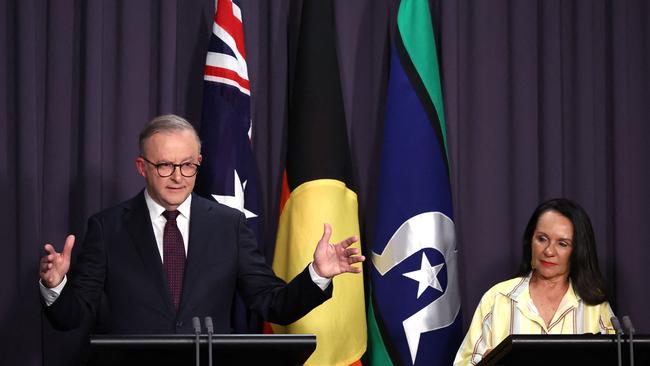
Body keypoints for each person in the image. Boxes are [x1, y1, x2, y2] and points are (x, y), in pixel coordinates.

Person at [39, 114, 364, 337]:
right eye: (165, 165)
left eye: (188, 165)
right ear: (142, 167)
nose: (178, 176)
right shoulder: (107, 229)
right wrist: (56, 286)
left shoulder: (229, 226)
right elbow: (73, 318)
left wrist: (317, 275)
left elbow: (272, 303)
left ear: (199, 163)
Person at [454, 198, 615, 365]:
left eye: (562, 243)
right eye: (542, 239)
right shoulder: (497, 299)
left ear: (578, 251)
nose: (549, 251)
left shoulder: (595, 306)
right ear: (530, 241)